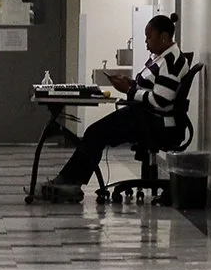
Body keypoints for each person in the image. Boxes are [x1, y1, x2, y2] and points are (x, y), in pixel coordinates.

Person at [39, 14, 190, 202]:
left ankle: (69, 183)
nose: (146, 42)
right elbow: (152, 89)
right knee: (95, 132)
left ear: (164, 37)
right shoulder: (161, 58)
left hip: (154, 122)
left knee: (95, 133)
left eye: (149, 37)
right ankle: (69, 181)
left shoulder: (171, 61)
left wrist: (129, 90)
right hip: (145, 115)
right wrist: (131, 84)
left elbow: (160, 100)